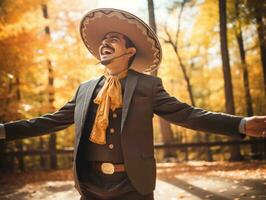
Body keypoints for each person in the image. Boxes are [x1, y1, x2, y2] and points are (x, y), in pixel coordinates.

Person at [0, 8, 265, 200]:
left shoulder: (148, 86)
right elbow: (50, 120)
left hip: (132, 186)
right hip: (90, 186)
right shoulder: (84, 90)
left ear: (129, 51)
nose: (105, 42)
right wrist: (5, 130)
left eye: (113, 39)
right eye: (104, 40)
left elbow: (189, 115)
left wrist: (240, 124)